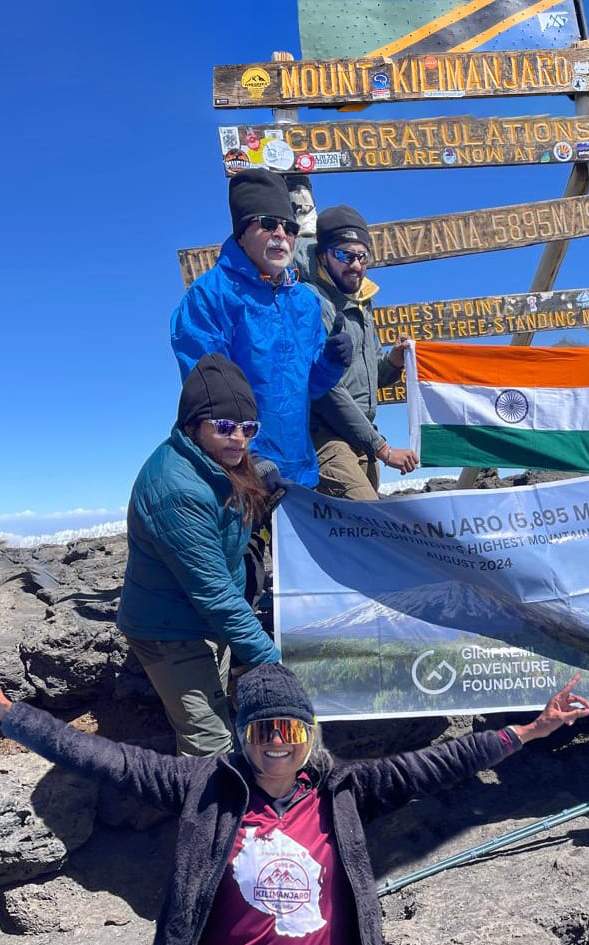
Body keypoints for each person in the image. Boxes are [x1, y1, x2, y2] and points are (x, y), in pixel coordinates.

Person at [0, 655, 589, 945]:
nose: (278, 744)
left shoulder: (345, 790)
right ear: (242, 735)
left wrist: (528, 732)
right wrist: (6, 713)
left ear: (310, 734)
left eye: (291, 730)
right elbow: (103, 757)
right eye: (263, 731)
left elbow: (435, 763)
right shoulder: (200, 785)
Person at [117, 354, 281, 757]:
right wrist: (272, 663)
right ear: (193, 425)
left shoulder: (216, 462)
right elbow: (216, 595)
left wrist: (261, 474)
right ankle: (209, 818)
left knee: (218, 715)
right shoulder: (175, 491)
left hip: (204, 622)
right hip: (169, 630)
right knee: (211, 744)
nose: (239, 439)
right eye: (225, 427)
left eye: (248, 428)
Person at [171, 169, 353, 488]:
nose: (281, 234)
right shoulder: (209, 296)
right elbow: (209, 394)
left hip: (300, 472)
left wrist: (331, 362)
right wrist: (247, 460)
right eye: (268, 223)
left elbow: (309, 387)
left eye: (290, 227)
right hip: (238, 474)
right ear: (242, 232)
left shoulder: (305, 302)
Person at [295, 205, 418, 500]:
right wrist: (383, 449)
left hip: (362, 439)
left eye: (362, 256)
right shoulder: (308, 300)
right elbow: (326, 390)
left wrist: (393, 361)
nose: (356, 265)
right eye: (345, 255)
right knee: (372, 528)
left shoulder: (361, 301)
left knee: (350, 540)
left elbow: (369, 377)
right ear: (323, 254)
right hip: (325, 437)